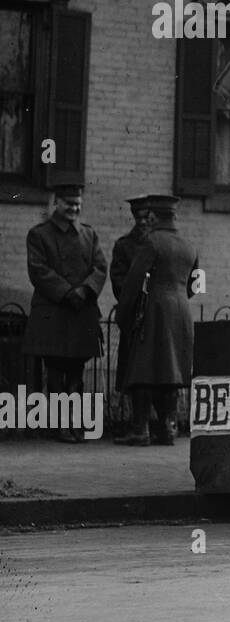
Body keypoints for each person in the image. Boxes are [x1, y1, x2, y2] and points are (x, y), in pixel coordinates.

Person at [21, 177, 107, 442]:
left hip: (81, 312)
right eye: (69, 203)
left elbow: (100, 267)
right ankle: (60, 425)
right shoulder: (39, 234)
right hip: (54, 312)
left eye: (78, 204)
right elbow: (38, 271)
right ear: (56, 203)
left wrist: (85, 290)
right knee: (56, 371)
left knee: (77, 373)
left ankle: (76, 423)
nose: (74, 208)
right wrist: (68, 292)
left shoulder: (89, 235)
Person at [115, 195, 199, 447]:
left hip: (154, 309)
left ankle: (140, 431)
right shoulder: (189, 245)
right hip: (181, 312)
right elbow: (197, 285)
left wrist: (124, 314)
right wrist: (180, 297)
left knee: (142, 369)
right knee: (170, 370)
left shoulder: (151, 242)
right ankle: (167, 429)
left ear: (153, 216)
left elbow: (133, 282)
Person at [110, 195, 153, 432]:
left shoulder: (160, 243)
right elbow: (117, 279)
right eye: (138, 217)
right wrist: (135, 295)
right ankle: (134, 421)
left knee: (158, 369)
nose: (143, 221)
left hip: (157, 316)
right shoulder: (124, 246)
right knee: (133, 370)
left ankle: (159, 421)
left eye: (147, 217)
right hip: (135, 315)